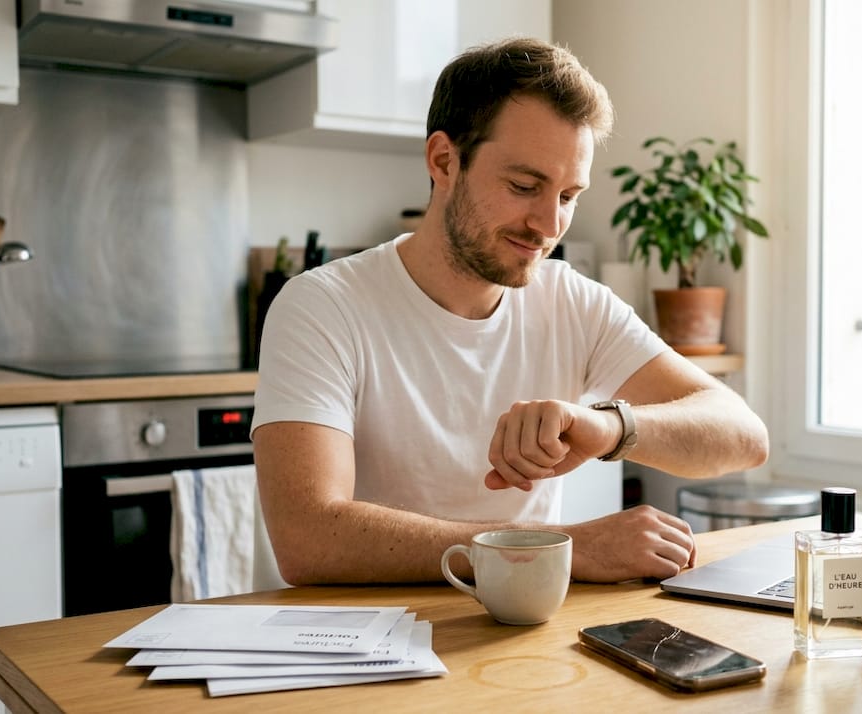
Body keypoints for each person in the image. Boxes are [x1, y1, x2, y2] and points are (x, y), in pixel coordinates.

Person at [252, 37, 769, 585]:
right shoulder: (322, 306)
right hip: (364, 630)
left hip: (521, 628)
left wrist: (610, 426)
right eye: (524, 186)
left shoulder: (571, 300)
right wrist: (556, 547)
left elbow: (744, 436)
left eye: (568, 197)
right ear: (444, 161)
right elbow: (307, 538)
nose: (549, 225)